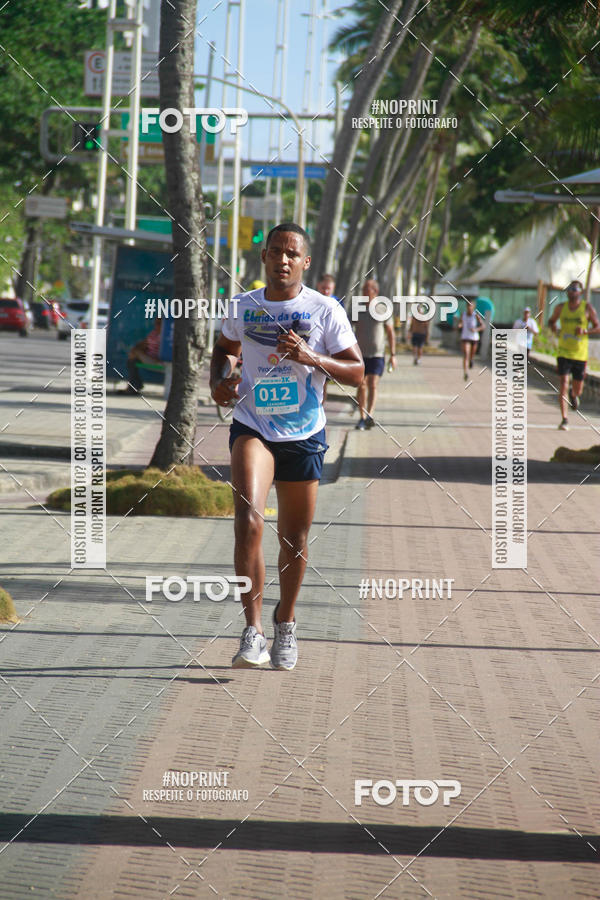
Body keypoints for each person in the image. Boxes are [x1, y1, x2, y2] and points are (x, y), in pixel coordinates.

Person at [210, 223, 363, 670]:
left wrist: (311, 357)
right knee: (249, 522)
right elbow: (224, 349)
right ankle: (252, 631)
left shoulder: (325, 309)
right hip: (253, 425)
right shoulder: (244, 304)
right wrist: (220, 381)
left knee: (293, 539)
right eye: (275, 251)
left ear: (305, 262)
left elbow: (356, 372)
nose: (282, 259)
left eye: (291, 254)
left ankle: (286, 621)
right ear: (263, 257)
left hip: (303, 432)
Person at [548, 279, 600, 430]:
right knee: (563, 383)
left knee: (578, 389)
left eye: (575, 289)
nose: (571, 291)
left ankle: (574, 394)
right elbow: (551, 321)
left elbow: (597, 327)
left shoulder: (587, 308)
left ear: (580, 292)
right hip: (563, 351)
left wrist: (585, 331)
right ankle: (564, 419)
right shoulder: (560, 308)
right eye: (569, 289)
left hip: (580, 354)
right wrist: (554, 329)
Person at [353, 278, 396, 430]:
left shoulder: (383, 309)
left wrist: (393, 354)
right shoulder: (357, 308)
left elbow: (390, 332)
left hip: (378, 354)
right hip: (360, 354)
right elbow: (347, 329)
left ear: (375, 292)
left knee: (372, 384)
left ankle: (370, 414)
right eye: (363, 290)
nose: (364, 293)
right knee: (361, 384)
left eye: (367, 290)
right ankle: (362, 417)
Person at [124, 318, 162, 393]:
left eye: (159, 323)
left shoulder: (166, 336)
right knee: (132, 361)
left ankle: (134, 385)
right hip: (148, 357)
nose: (156, 325)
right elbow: (144, 343)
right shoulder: (154, 333)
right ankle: (135, 384)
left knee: (135, 355)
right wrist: (136, 349)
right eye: (156, 323)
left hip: (158, 361)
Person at [456, 300, 485, 380]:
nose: (469, 307)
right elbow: (460, 323)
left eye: (471, 306)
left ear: (473, 307)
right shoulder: (463, 314)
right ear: (466, 307)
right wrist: (459, 325)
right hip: (465, 337)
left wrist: (476, 330)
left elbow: (483, 326)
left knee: (471, 355)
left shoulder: (476, 316)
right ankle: (466, 372)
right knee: (466, 354)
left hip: (474, 338)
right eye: (468, 306)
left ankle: (471, 360)